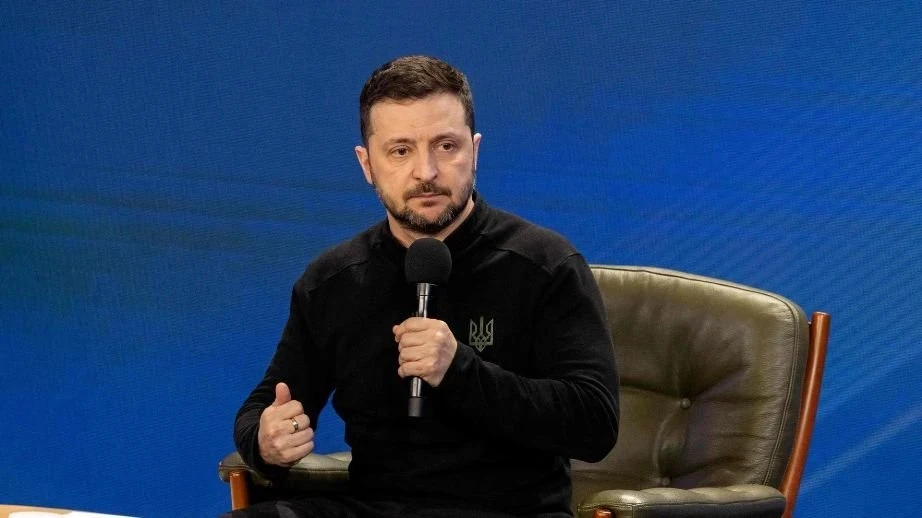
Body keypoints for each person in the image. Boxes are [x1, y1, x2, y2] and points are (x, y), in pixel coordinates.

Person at [227, 55, 619, 518]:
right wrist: (266, 440)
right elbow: (266, 404)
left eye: (446, 146)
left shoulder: (545, 265)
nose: (426, 172)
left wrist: (460, 370)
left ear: (474, 151)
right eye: (400, 151)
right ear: (366, 164)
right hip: (375, 508)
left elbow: (595, 423)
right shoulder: (333, 280)